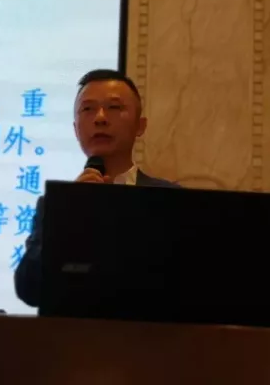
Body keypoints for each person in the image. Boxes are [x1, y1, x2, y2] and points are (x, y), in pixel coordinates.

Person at [14, 69, 179, 307]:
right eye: (88, 109)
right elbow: (28, 289)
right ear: (76, 129)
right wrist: (69, 216)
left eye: (114, 107)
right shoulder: (56, 206)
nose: (100, 118)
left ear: (140, 125)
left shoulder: (170, 199)